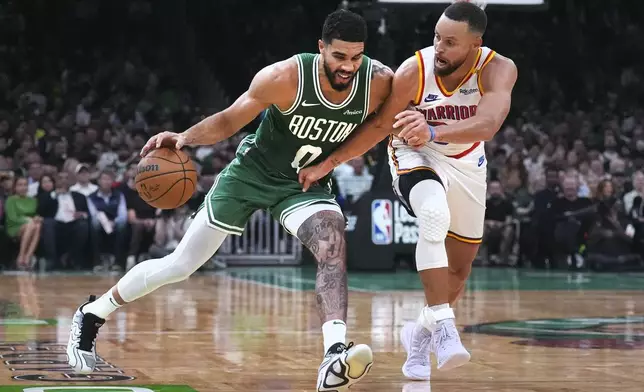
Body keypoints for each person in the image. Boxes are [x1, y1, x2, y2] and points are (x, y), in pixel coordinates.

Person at [66, 10, 393, 391]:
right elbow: (228, 120)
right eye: (339, 57)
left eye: (356, 57)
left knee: (331, 241)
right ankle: (92, 313)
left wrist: (331, 163)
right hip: (251, 174)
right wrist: (185, 138)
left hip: (304, 181)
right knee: (181, 265)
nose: (348, 67)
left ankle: (334, 355)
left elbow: (381, 127)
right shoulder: (284, 77)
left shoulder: (378, 81)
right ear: (321, 48)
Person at [299, 1, 517, 381]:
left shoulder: (498, 68)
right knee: (433, 213)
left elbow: (488, 123)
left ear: (476, 43)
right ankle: (445, 326)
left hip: (466, 162)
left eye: (450, 42)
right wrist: (327, 163)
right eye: (436, 37)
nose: (440, 48)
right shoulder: (415, 69)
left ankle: (418, 337)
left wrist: (434, 130)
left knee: (460, 268)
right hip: (413, 152)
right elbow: (382, 124)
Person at [4, 176, 41, 270]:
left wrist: (37, 218)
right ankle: (21, 256)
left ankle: (28, 256)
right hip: (14, 227)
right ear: (15, 187)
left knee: (37, 225)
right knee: (31, 224)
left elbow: (34, 214)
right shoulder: (10, 200)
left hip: (30, 226)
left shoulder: (33, 200)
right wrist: (27, 220)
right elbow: (12, 218)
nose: (23, 187)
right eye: (20, 185)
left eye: (25, 185)